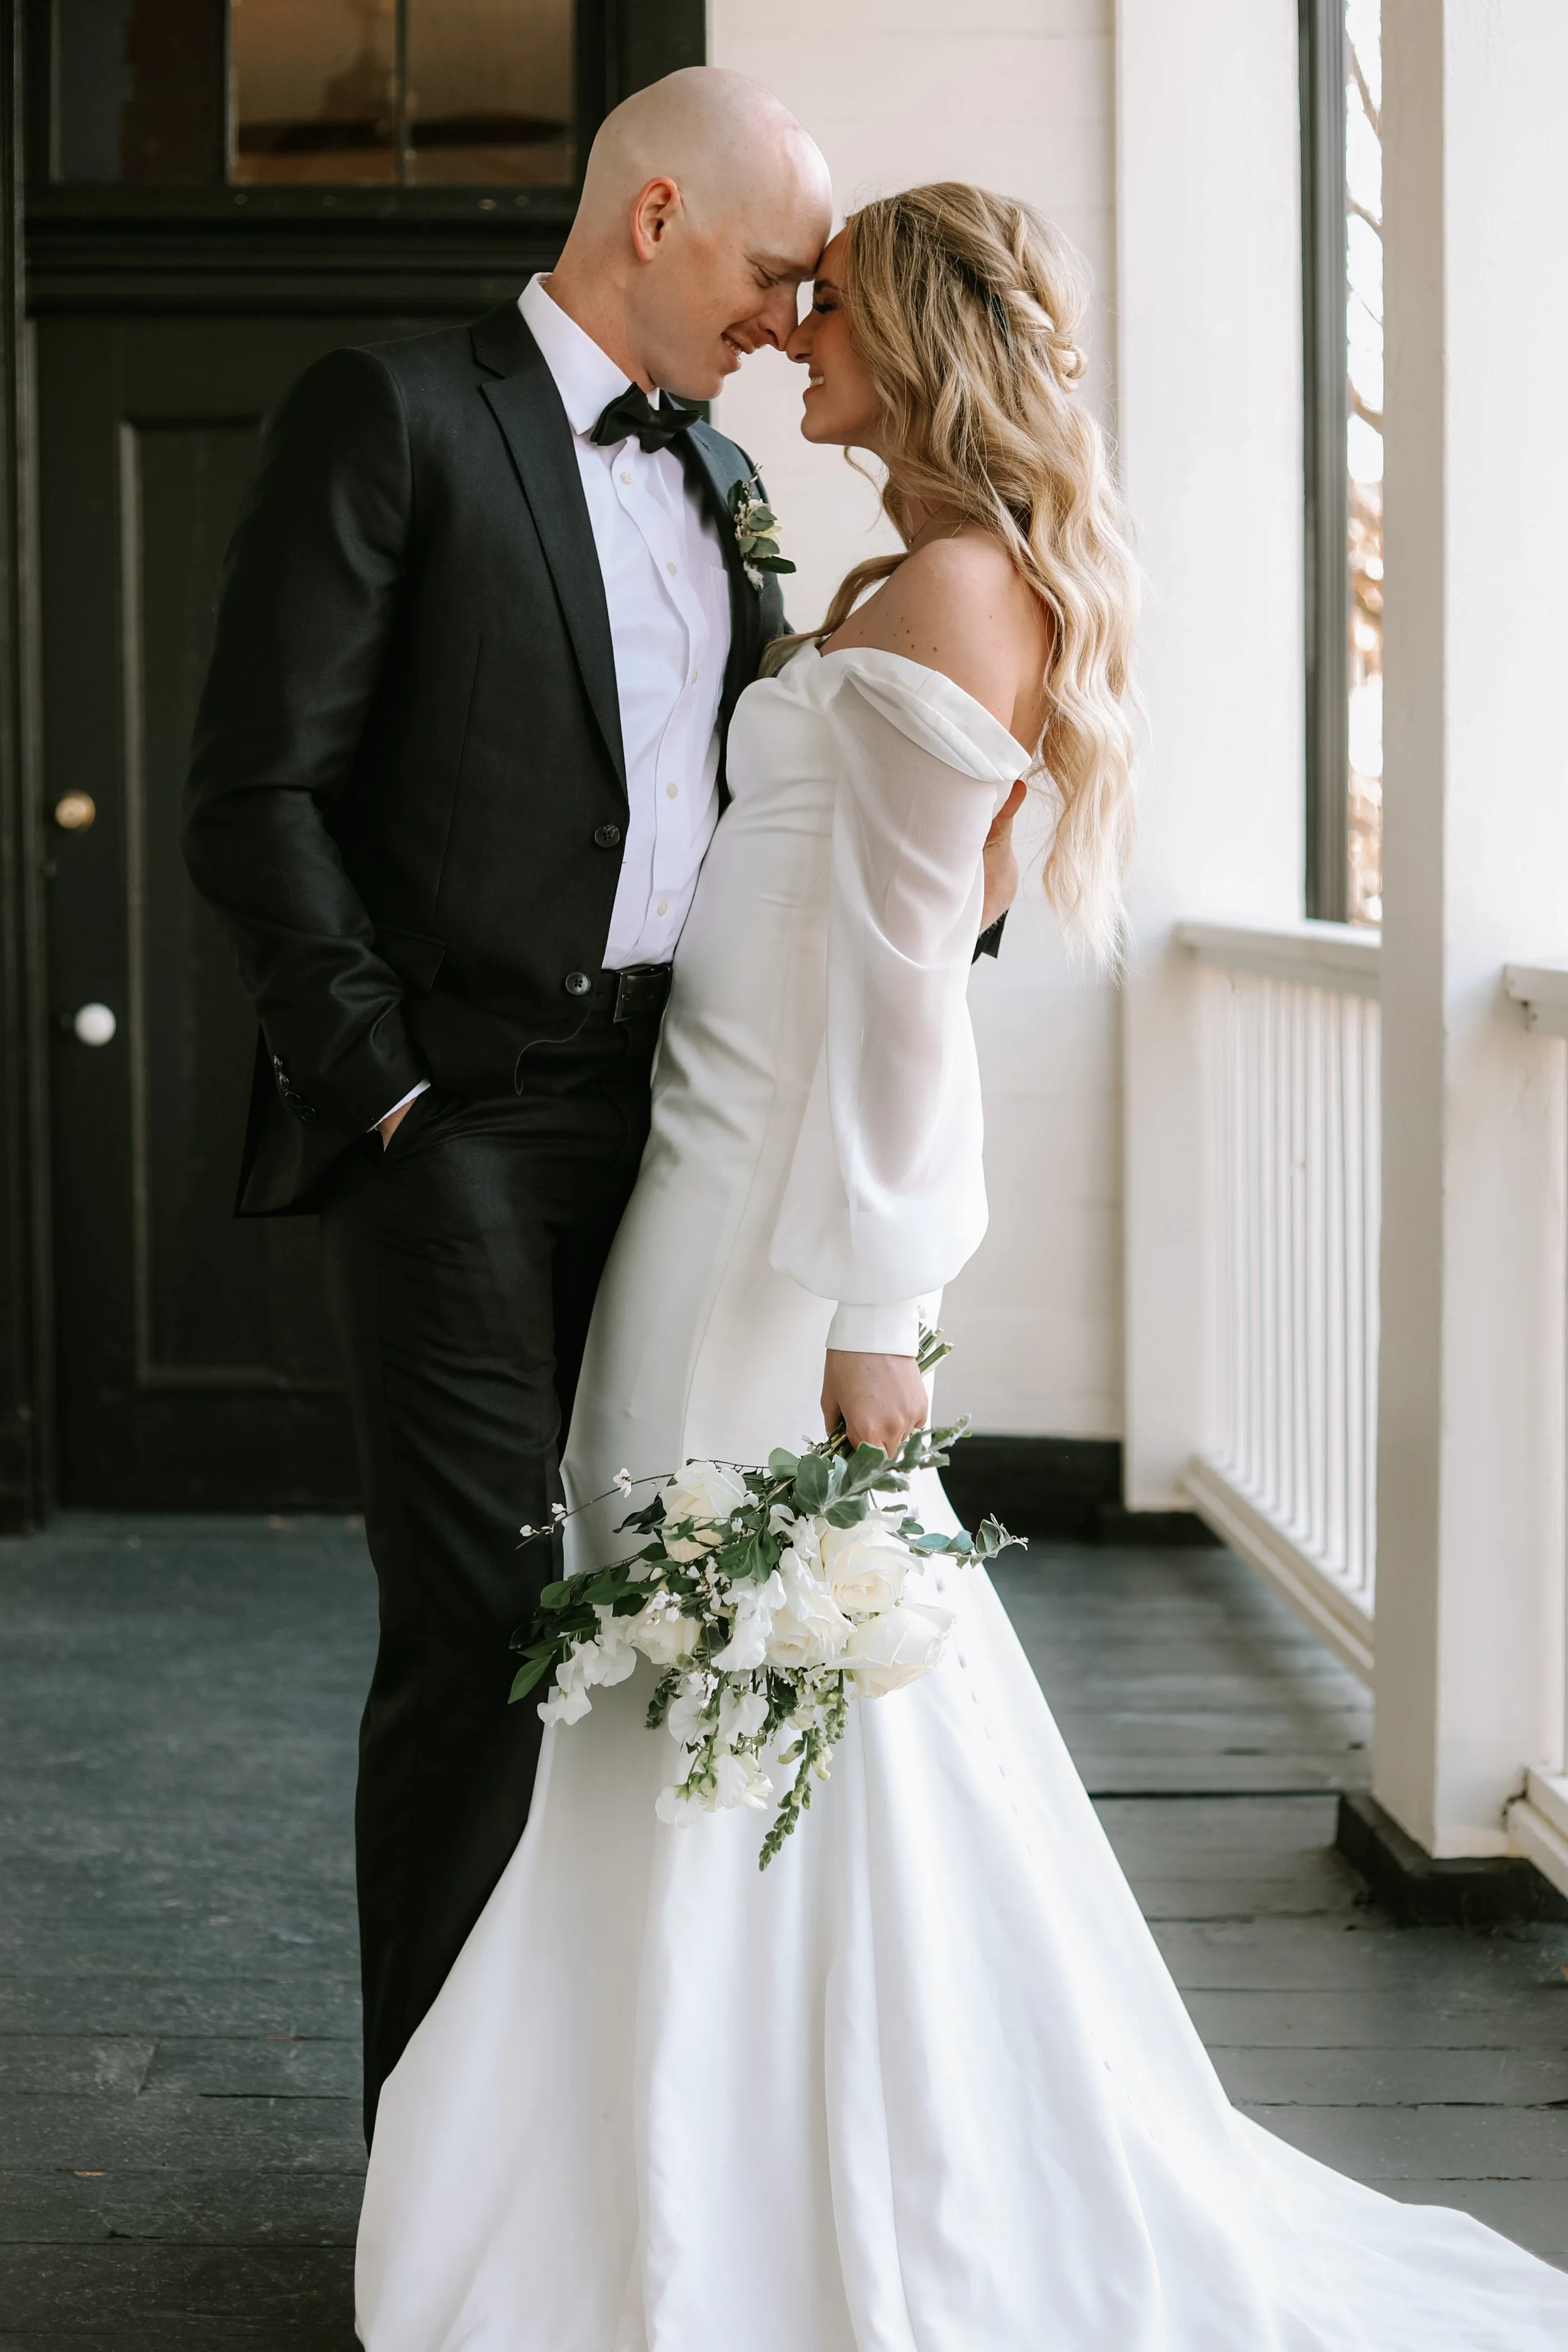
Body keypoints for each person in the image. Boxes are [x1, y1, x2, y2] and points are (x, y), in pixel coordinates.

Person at [354, 183, 1568, 2349]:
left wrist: (866, 1308)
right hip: (700, 1193)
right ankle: (681, 2148)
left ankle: (792, 2181)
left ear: (910, 350)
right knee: (686, 1672)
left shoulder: (956, 595)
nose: (790, 348)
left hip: (765, 1247)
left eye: (824, 319)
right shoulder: (890, 580)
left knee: (751, 1676)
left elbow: (915, 992)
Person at [183, 70, 1007, 2146]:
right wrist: (377, 1085)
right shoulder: (393, 414)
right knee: (477, 1621)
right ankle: (437, 2171)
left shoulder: (725, 475)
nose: (782, 316)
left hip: (678, 1141)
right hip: (449, 1119)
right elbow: (252, 790)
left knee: (650, 1594)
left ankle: (613, 2138)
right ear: (652, 215)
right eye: (765, 271)